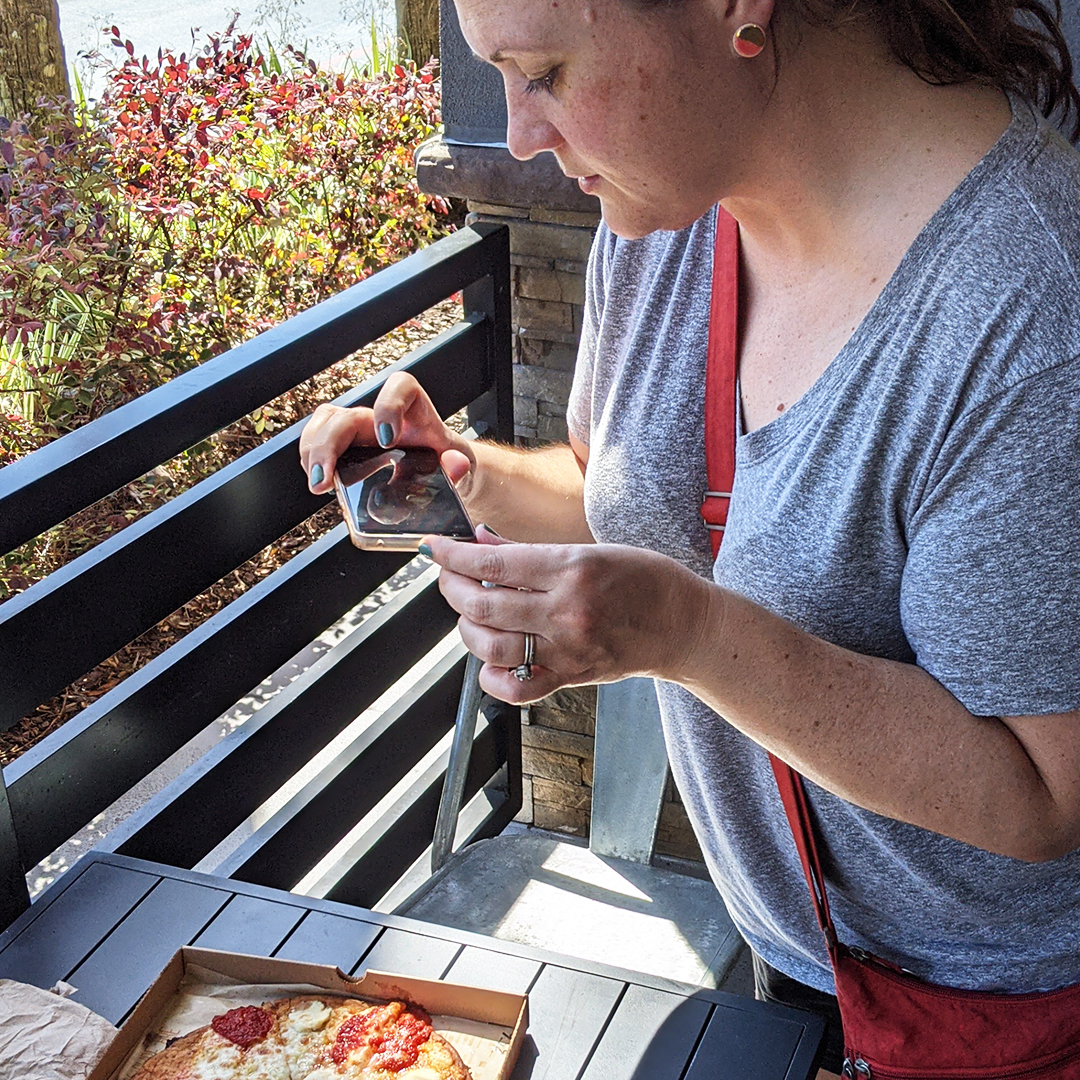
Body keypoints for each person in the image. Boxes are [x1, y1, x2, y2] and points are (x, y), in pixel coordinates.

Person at [301, 1, 1080, 1071]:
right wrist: (468, 474)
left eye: (546, 72)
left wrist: (686, 634)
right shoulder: (668, 202)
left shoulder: (1031, 307)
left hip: (992, 1013)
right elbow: (614, 487)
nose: (521, 133)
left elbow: (1044, 796)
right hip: (787, 951)